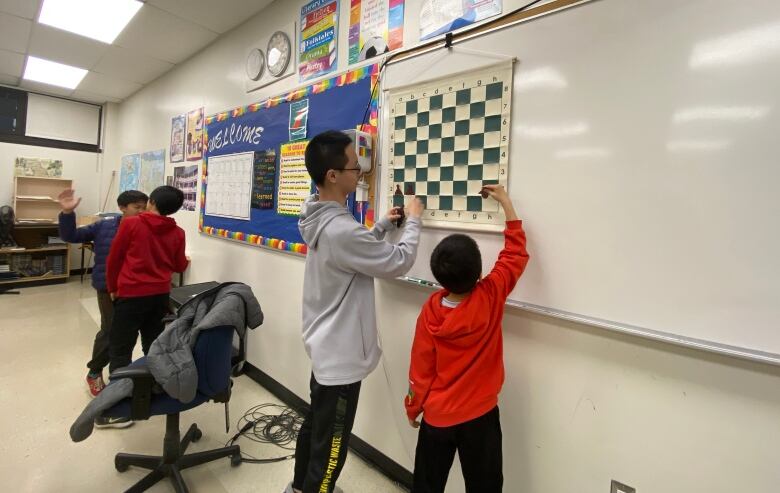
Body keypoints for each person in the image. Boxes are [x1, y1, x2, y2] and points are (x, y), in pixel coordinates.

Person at [286, 130, 424, 493]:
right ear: (332, 175)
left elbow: (352, 253)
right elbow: (399, 261)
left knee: (316, 426)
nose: (360, 171)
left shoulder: (318, 217)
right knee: (332, 448)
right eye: (354, 166)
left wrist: (379, 227)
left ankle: (299, 487)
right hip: (341, 359)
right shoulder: (341, 230)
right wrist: (415, 219)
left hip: (325, 349)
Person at [405, 184, 529, 493]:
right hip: (481, 415)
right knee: (485, 485)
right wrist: (507, 206)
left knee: (427, 484)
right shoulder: (491, 295)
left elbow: (420, 371)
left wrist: (413, 407)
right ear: (478, 272)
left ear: (438, 275)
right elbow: (515, 254)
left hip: (438, 417)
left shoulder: (431, 312)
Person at [57, 188, 148, 399]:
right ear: (122, 208)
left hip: (134, 289)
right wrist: (68, 214)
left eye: (144, 208)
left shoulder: (145, 227)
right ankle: (94, 371)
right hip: (108, 287)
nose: (142, 212)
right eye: (137, 208)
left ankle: (120, 375)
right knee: (109, 331)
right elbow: (71, 235)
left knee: (127, 333)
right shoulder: (104, 226)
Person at [105, 185, 188, 380]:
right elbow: (179, 266)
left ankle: (119, 393)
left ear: (152, 202)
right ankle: (152, 385)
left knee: (121, 346)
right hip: (160, 296)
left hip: (130, 294)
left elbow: (114, 259)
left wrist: (113, 288)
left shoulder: (130, 224)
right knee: (153, 343)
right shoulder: (178, 232)